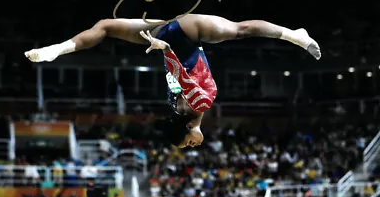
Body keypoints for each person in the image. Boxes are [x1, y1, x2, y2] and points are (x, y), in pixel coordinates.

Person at [25, 14, 321, 148]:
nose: (194, 146)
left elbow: (180, 74)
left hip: (183, 33)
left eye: (188, 145)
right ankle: (57, 50)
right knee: (104, 27)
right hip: (167, 36)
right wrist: (163, 48)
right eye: (190, 147)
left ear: (188, 129)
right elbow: (186, 87)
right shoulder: (193, 106)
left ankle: (295, 34)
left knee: (241, 29)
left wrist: (165, 49)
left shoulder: (193, 105)